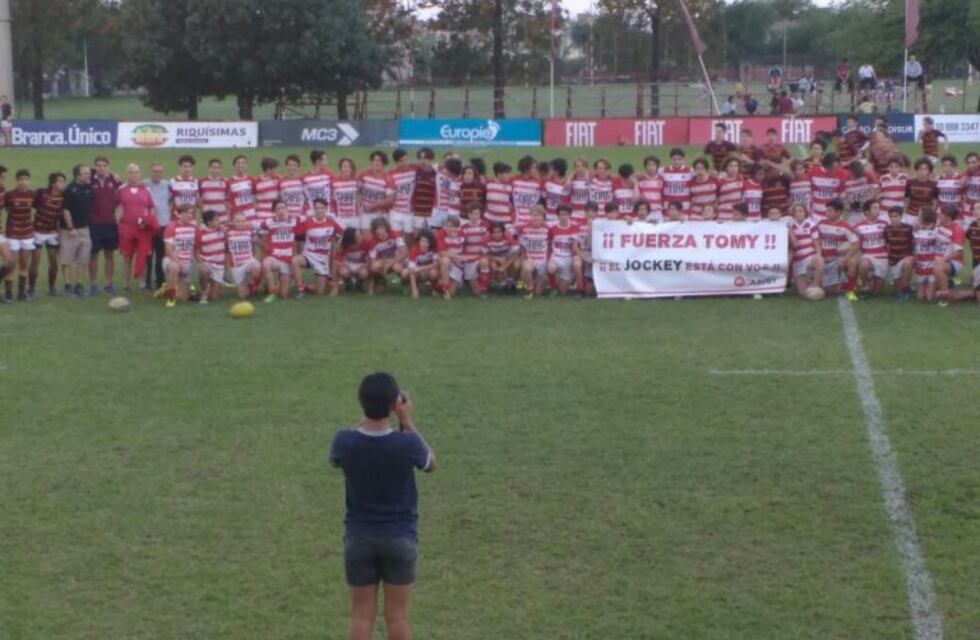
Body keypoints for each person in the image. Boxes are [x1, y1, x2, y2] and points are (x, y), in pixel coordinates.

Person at [329, 372, 435, 640]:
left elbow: (338, 456)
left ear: (361, 403)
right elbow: (430, 463)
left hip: (359, 538)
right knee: (397, 617)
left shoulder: (345, 441)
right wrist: (406, 420)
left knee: (361, 617)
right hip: (400, 538)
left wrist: (371, 414)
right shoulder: (407, 443)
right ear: (394, 404)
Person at [115, 163, 157, 293]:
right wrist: (119, 224)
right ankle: (126, 285)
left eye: (136, 172)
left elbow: (152, 208)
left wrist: (148, 222)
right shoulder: (121, 189)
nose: (134, 175)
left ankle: (142, 284)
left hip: (142, 230)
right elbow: (116, 207)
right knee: (127, 257)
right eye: (131, 172)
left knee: (143, 256)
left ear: (140, 174)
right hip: (126, 229)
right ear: (127, 174)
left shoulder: (146, 190)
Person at [293, 198, 344, 298]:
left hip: (322, 259)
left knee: (319, 292)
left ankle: (306, 286)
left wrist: (338, 243)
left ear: (326, 209)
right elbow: (295, 234)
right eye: (317, 208)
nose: (319, 211)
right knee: (295, 261)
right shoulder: (307, 222)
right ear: (313, 209)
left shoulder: (331, 223)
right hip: (309, 255)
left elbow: (342, 233)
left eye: (322, 208)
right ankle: (300, 288)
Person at [89, 156, 121, 296]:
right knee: (93, 255)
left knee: (109, 255)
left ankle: (108, 284)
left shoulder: (115, 181)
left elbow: (124, 195)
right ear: (95, 167)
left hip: (110, 223)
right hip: (94, 224)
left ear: (108, 166)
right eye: (98, 165)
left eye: (104, 165)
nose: (101, 168)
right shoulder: (89, 180)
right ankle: (93, 284)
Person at [60, 164, 93, 297]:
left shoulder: (88, 186)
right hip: (70, 230)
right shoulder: (69, 189)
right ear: (77, 175)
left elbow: (102, 172)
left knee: (83, 258)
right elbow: (66, 210)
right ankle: (68, 284)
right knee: (67, 258)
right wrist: (71, 227)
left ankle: (79, 284)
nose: (88, 175)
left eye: (88, 173)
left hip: (85, 229)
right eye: (85, 173)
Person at [31, 172, 66, 297]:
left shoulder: (64, 196)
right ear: (53, 183)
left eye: (63, 181)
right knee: (35, 262)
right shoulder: (41, 193)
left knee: (53, 263)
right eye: (60, 181)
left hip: (52, 233)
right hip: (38, 232)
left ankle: (52, 288)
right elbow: (33, 204)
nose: (63, 184)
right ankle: (31, 289)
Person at [3, 169, 36, 301]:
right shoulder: (9, 195)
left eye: (26, 179)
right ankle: (8, 294)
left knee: (24, 264)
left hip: (27, 234)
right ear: (17, 181)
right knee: (11, 264)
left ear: (29, 181)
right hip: (13, 234)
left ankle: (22, 293)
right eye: (21, 179)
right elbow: (5, 208)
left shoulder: (33, 195)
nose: (23, 182)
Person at [261, 199, 297, 303]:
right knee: (266, 264)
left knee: (284, 295)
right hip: (274, 258)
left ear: (287, 209)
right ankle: (272, 291)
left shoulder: (295, 221)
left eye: (283, 208)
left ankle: (278, 284)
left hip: (287, 260)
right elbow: (255, 227)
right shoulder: (269, 222)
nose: (281, 211)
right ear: (274, 211)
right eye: (278, 208)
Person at [162, 205, 198, 307]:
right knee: (174, 267)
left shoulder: (194, 229)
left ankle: (165, 289)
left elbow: (197, 248)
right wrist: (180, 263)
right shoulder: (172, 227)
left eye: (191, 213)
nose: (189, 215)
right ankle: (170, 299)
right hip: (172, 260)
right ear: (179, 214)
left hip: (187, 263)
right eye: (186, 213)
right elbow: (168, 250)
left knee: (183, 297)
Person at [144, 163, 170, 293]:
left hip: (163, 226)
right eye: (155, 171)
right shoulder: (144, 185)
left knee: (161, 256)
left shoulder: (167, 185)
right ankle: (146, 283)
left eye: (160, 171)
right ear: (150, 172)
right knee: (147, 256)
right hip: (148, 227)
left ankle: (160, 282)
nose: (157, 174)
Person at [788, 202, 824, 296]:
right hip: (798, 261)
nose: (798, 213)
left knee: (820, 260)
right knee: (802, 293)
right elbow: (792, 247)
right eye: (796, 211)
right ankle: (809, 282)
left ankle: (815, 284)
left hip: (810, 257)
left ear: (805, 212)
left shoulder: (811, 225)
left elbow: (817, 243)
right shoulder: (791, 226)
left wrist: (818, 255)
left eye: (800, 211)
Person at [884, 206, 915, 301]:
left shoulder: (908, 229)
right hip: (893, 260)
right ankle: (906, 288)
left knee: (907, 263)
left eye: (896, 216)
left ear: (901, 216)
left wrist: (911, 256)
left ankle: (905, 291)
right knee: (896, 290)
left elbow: (913, 244)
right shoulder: (887, 229)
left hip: (905, 258)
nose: (893, 219)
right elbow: (886, 245)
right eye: (891, 216)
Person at [196, 210, 226, 304]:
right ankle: (204, 290)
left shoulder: (222, 231)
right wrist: (201, 263)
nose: (219, 222)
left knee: (214, 297)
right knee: (203, 270)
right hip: (207, 263)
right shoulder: (201, 234)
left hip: (219, 266)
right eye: (216, 220)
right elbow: (196, 251)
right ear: (209, 222)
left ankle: (203, 291)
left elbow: (232, 225)